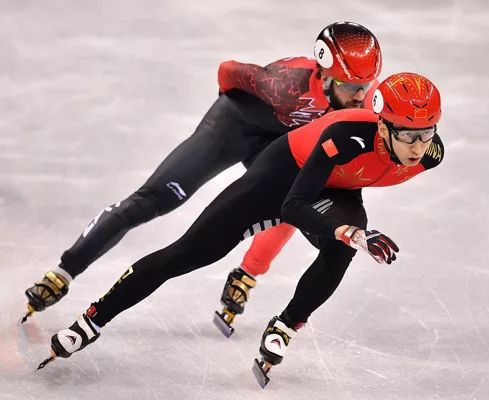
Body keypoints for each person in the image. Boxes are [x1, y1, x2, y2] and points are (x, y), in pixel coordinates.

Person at [39, 72, 445, 387]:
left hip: (338, 190)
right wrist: (352, 231)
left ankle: (286, 324)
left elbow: (345, 199)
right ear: (383, 126)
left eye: (426, 134)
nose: (417, 146)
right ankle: (93, 319)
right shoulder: (344, 135)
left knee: (341, 250)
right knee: (187, 254)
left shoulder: (430, 155)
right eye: (408, 135)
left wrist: (350, 233)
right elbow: (294, 205)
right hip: (283, 175)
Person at [22, 22, 383, 330]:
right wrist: (230, 115)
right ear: (323, 76)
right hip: (234, 126)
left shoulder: (362, 105)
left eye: (367, 87)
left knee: (297, 193)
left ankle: (247, 273)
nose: (361, 97)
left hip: (275, 142)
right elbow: (228, 71)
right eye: (352, 88)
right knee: (158, 198)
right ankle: (65, 270)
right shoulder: (283, 84)